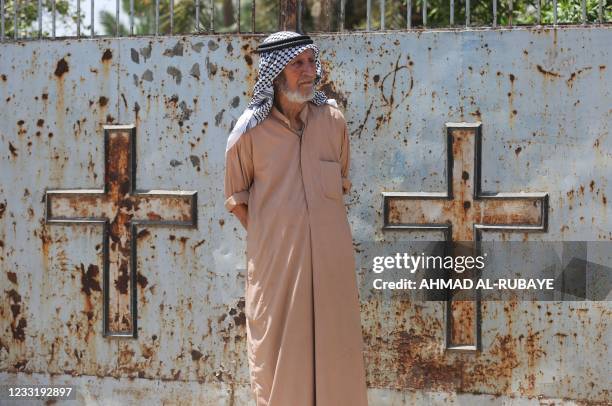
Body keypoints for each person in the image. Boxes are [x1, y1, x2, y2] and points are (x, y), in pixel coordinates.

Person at [224, 31, 368, 406]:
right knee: (278, 366)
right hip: (278, 271)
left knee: (338, 361)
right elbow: (236, 198)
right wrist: (274, 240)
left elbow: (342, 181)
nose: (309, 72)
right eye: (297, 64)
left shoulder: (333, 120)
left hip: (331, 269)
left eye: (311, 62)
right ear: (275, 73)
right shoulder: (248, 133)